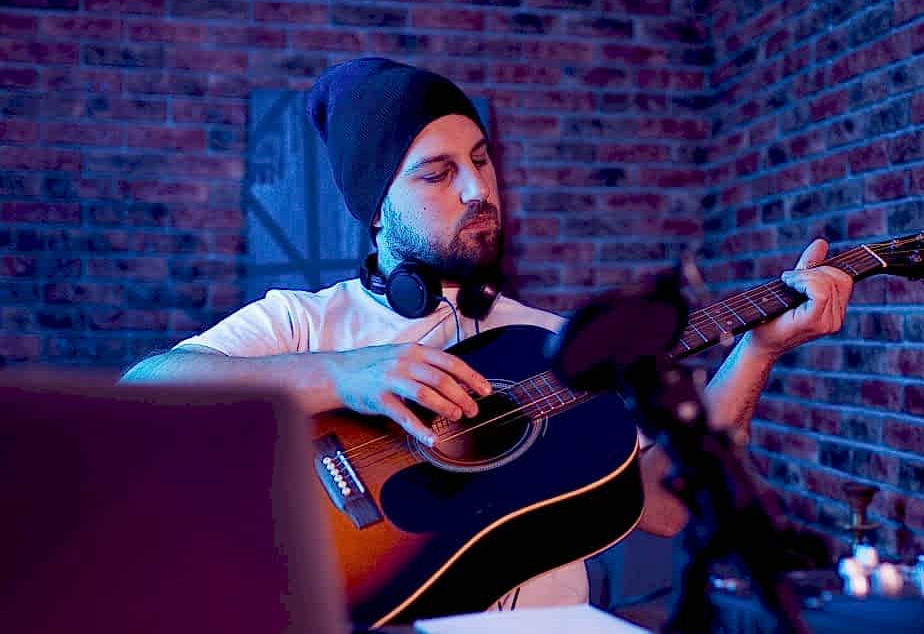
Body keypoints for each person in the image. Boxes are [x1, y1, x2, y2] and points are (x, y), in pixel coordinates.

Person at [122, 57, 853, 612]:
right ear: (378, 210)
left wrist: (758, 349)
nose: (478, 189)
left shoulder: (553, 345)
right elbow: (146, 392)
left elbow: (667, 505)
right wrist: (343, 373)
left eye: (480, 159)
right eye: (438, 174)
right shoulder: (302, 323)